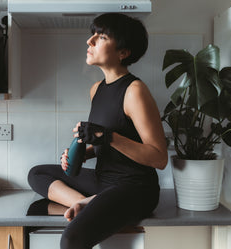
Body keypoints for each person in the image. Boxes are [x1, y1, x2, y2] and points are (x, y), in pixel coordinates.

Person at [28, 13, 168, 249]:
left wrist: (108, 137)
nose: (89, 41)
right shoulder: (97, 89)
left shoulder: (135, 91)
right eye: (92, 35)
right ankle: (88, 201)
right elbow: (108, 141)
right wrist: (87, 152)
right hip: (104, 181)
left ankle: (92, 202)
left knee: (72, 239)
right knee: (37, 174)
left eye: (100, 37)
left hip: (134, 189)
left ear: (123, 52)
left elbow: (159, 157)